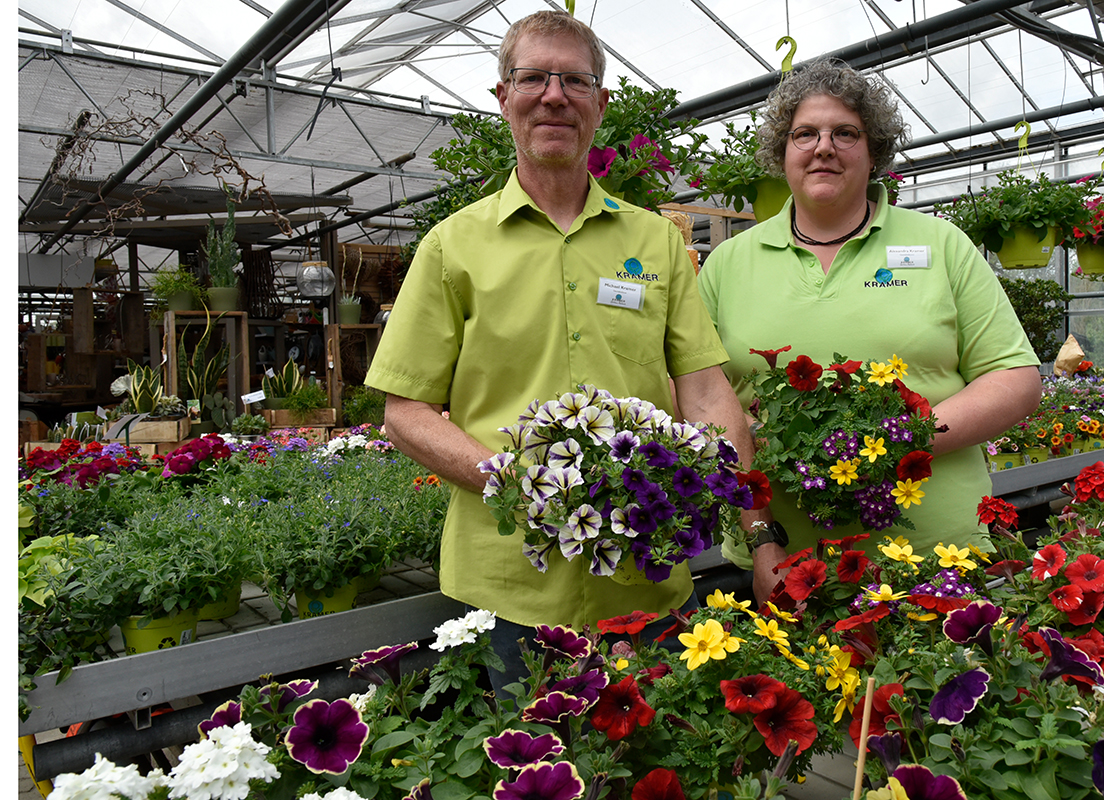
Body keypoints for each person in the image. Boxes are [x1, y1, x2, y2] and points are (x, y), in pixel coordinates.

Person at [365, 11, 757, 662]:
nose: (554, 95)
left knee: (661, 760)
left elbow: (706, 389)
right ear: (503, 98)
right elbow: (404, 413)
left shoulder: (656, 241)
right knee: (532, 760)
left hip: (645, 578)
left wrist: (719, 494)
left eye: (575, 81)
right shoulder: (451, 247)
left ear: (601, 105)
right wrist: (512, 480)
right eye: (533, 77)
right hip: (510, 583)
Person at [697, 60, 1043, 604]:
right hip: (789, 562)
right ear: (781, 152)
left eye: (845, 133)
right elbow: (704, 400)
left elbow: (1016, 378)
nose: (823, 147)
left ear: (874, 151)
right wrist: (762, 542)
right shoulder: (727, 263)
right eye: (804, 134)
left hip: (936, 557)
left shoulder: (941, 245)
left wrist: (899, 440)